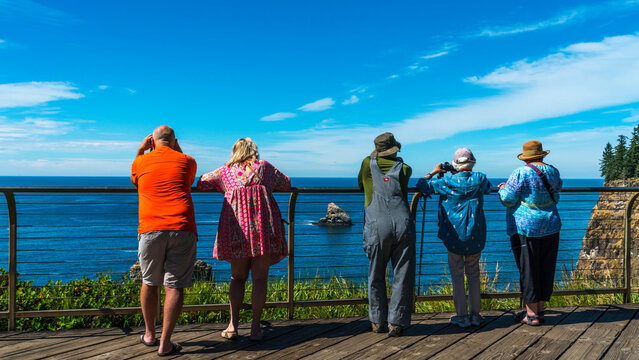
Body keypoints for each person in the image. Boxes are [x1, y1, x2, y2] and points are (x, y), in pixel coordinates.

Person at [197, 138, 290, 341]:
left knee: (237, 278)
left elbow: (202, 182)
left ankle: (232, 326)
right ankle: (255, 328)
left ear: (234, 151)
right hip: (264, 230)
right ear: (254, 150)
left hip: (236, 230)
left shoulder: (225, 171)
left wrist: (226, 189)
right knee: (259, 279)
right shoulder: (265, 167)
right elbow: (286, 182)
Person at [131, 125, 197, 356]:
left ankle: (150, 334)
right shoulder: (187, 160)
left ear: (152, 141)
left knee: (149, 281)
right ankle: (166, 343)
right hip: (182, 226)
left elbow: (135, 181)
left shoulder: (141, 161)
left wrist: (141, 150)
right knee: (174, 285)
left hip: (151, 228)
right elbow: (187, 180)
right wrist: (178, 149)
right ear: (175, 141)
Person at [416, 148, 492, 328]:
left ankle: (462, 316)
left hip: (453, 235)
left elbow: (421, 184)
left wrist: (434, 172)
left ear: (456, 164)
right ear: (472, 163)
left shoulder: (446, 181)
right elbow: (488, 189)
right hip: (475, 234)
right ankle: (475, 315)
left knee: (457, 276)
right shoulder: (480, 179)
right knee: (473, 274)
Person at [497, 140, 562, 326]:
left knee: (528, 268)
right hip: (550, 224)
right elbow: (556, 193)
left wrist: (502, 189)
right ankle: (540, 311)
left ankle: (531, 315)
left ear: (526, 157)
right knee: (545, 267)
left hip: (526, 228)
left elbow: (508, 200)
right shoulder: (553, 171)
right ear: (542, 154)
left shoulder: (520, 172)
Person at [357, 132, 415, 337]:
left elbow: (361, 185)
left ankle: (377, 321)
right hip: (403, 223)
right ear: (394, 149)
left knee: (376, 274)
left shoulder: (367, 164)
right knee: (402, 273)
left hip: (377, 223)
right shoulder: (405, 169)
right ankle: (396, 322)